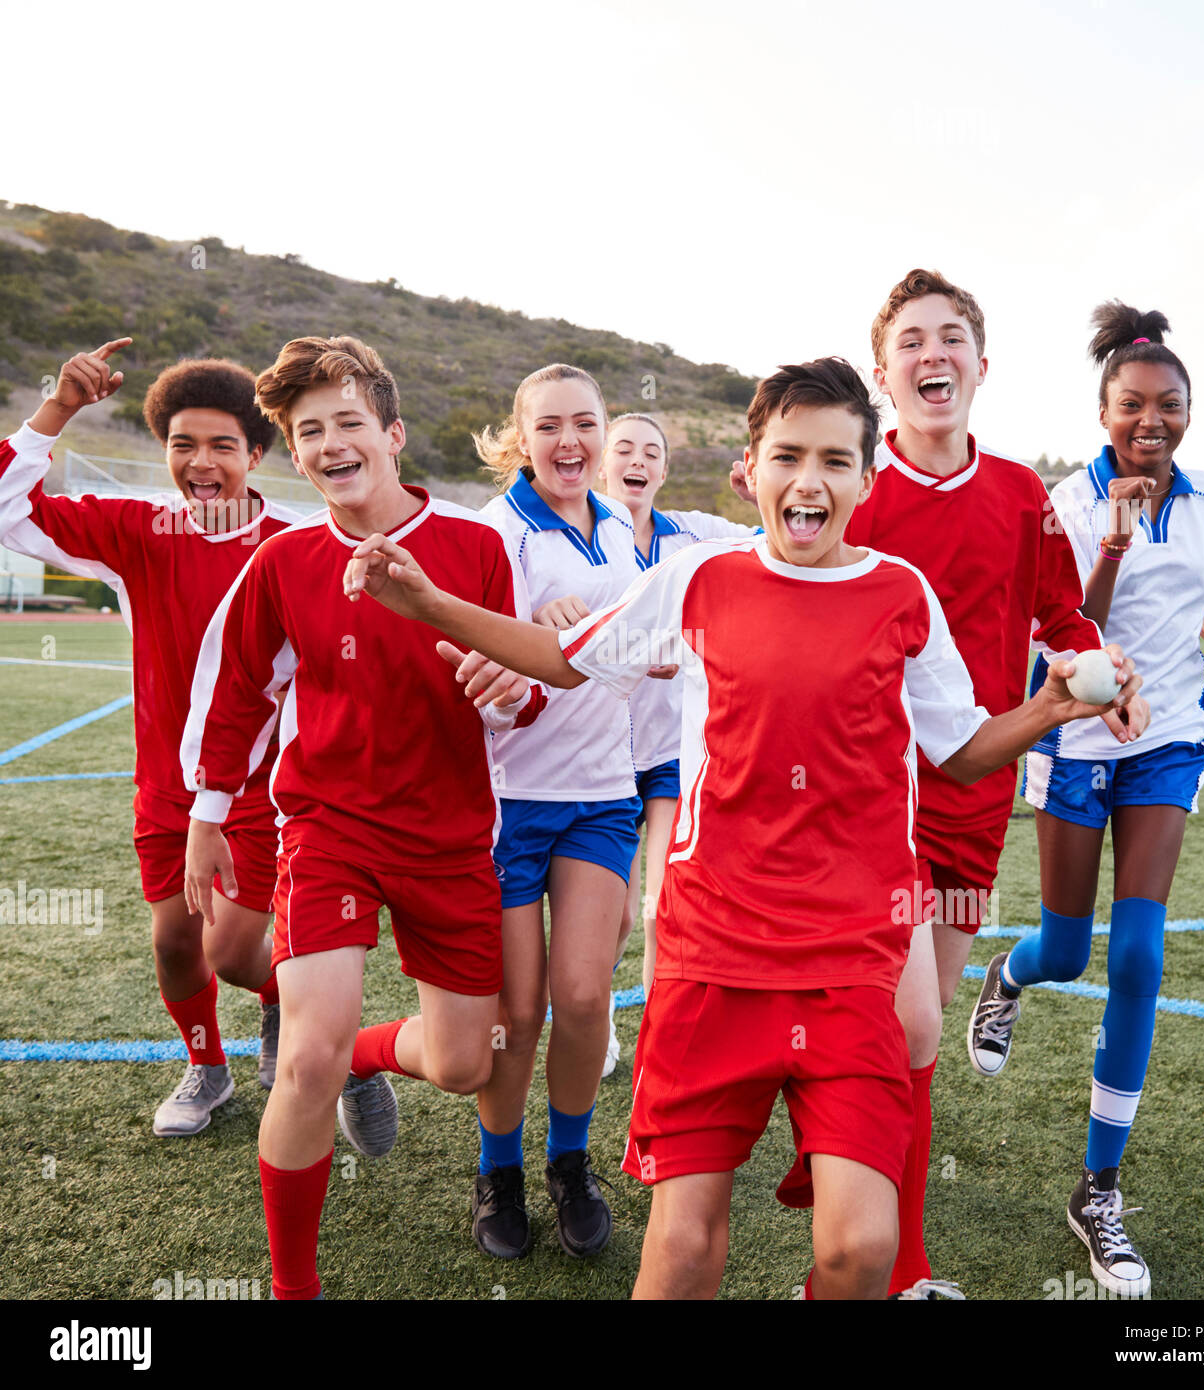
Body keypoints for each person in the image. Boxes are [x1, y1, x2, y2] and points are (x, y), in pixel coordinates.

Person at [340, 356, 1147, 1299]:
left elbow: (961, 749)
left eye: (836, 461)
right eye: (788, 457)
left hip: (852, 957)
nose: (810, 481)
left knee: (862, 1248)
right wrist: (430, 603)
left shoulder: (901, 593)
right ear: (751, 469)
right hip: (712, 952)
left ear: (865, 479)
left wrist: (1049, 708)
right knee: (685, 1247)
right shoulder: (697, 581)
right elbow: (563, 660)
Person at [731, 271, 1116, 1298]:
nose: (932, 354)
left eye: (952, 337)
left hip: (973, 789)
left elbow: (1059, 617)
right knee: (907, 1025)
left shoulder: (1021, 495)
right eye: (911, 340)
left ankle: (836, 1154)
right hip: (854, 797)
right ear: (884, 370)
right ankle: (899, 1263)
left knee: (917, 1023)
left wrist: (1097, 672)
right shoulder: (853, 487)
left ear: (980, 366)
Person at [181, 334, 544, 1300]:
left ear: (392, 434)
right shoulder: (283, 561)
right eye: (309, 432)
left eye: (349, 423)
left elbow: (531, 682)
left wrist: (508, 684)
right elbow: (241, 697)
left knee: (469, 1063)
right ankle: (293, 1287)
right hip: (328, 828)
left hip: (453, 834)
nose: (332, 443)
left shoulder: (476, 545)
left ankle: (368, 1058)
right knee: (305, 1051)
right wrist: (208, 811)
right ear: (295, 456)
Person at [966, 302, 1204, 1298]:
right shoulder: (1062, 501)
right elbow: (1070, 619)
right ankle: (1009, 974)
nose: (1152, 418)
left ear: (1188, 411)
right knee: (1063, 945)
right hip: (1078, 737)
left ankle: (1098, 1191)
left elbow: (1197, 597)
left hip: (1167, 740)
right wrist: (1117, 541)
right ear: (1103, 411)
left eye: (1168, 404)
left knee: (1137, 953)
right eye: (1132, 404)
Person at [0, 339, 297, 1135]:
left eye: (222, 446)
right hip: (167, 788)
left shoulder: (294, 544)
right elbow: (6, 506)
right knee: (173, 944)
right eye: (182, 444)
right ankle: (207, 1067)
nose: (202, 463)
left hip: (262, 793)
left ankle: (282, 1002)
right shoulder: (136, 530)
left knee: (232, 952)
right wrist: (58, 407)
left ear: (257, 453)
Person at [449, 364, 641, 1260]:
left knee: (584, 993)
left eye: (586, 424)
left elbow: (646, 660)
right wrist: (536, 627)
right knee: (517, 1013)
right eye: (550, 426)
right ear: (521, 439)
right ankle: (500, 1170)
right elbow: (470, 660)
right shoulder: (497, 533)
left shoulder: (629, 530)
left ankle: (569, 1163)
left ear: (605, 434)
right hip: (511, 802)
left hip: (603, 798)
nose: (570, 442)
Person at [596, 412, 754, 1069]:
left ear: (663, 471)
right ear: (606, 464)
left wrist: (758, 497)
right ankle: (596, 1016)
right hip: (596, 754)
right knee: (619, 913)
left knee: (665, 903)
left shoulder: (694, 533)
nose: (637, 460)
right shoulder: (583, 537)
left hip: (666, 756)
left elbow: (780, 544)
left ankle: (661, 1046)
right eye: (624, 448)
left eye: (651, 451)